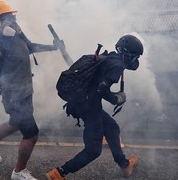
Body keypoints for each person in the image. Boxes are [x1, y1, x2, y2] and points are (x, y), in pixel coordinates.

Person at [0, 0, 58, 180]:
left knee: (15, 123)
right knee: (32, 134)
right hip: (14, 96)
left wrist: (54, 47)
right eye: (6, 17)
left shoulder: (18, 35)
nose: (11, 20)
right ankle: (19, 172)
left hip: (25, 91)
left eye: (12, 16)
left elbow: (31, 47)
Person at [45, 34, 144, 180]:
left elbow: (80, 71)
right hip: (90, 107)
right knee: (93, 150)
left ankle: (124, 165)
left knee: (112, 128)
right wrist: (117, 99)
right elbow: (101, 89)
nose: (136, 61)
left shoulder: (106, 58)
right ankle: (58, 173)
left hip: (82, 102)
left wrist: (63, 51)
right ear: (129, 55)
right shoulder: (117, 65)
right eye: (136, 57)